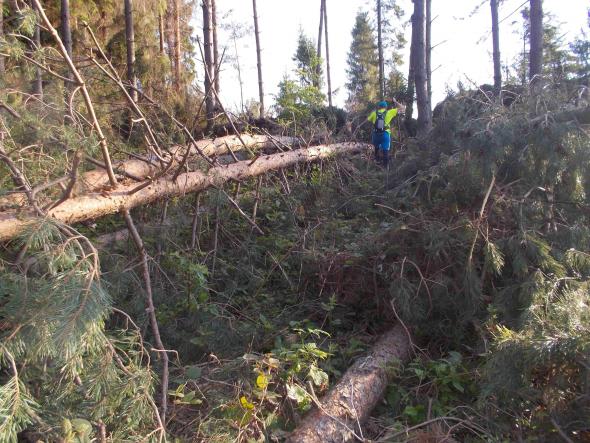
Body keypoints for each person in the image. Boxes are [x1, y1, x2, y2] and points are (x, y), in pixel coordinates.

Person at [367, 100, 398, 168]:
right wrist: (395, 101)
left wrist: (373, 115)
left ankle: (377, 161)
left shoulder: (374, 113)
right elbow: (403, 108)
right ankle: (385, 167)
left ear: (379, 107)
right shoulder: (389, 112)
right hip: (385, 134)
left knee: (376, 148)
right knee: (385, 150)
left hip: (376, 134)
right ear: (386, 107)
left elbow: (368, 119)